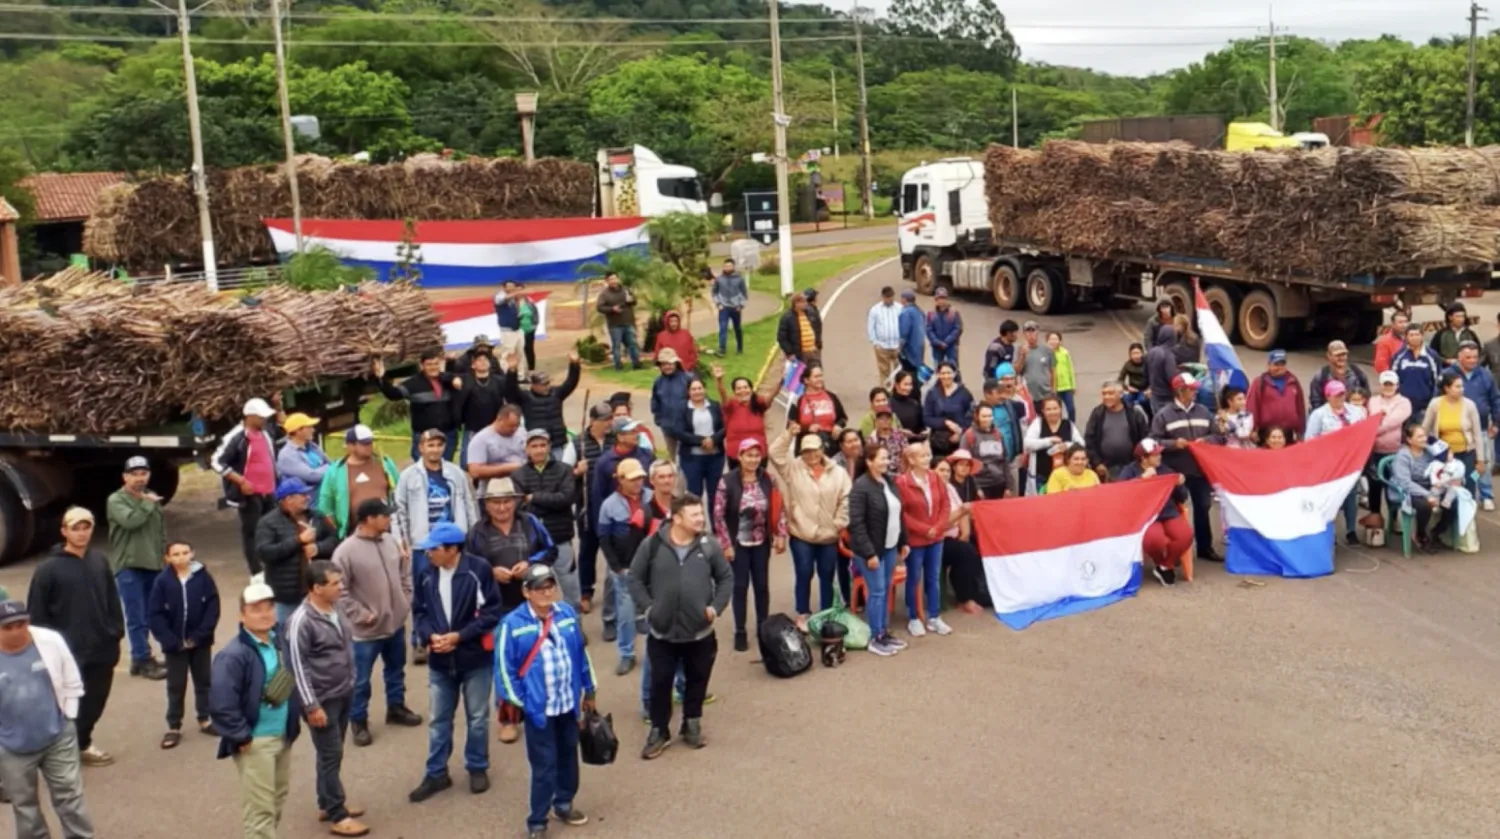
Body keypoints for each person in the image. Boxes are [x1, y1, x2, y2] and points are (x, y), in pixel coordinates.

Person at [496, 565, 596, 838]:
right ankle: (537, 821)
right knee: (544, 766)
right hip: (539, 712)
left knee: (569, 757)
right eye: (539, 588)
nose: (546, 592)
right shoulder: (511, 624)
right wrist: (524, 703)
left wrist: (590, 690)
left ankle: (563, 803)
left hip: (568, 706)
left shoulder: (566, 613)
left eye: (550, 586)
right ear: (526, 592)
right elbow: (504, 671)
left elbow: (581, 656)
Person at [629, 495, 732, 760]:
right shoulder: (652, 545)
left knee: (697, 680)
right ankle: (659, 730)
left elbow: (725, 578)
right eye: (694, 515)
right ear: (676, 518)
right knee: (660, 682)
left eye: (701, 513)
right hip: (663, 633)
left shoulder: (709, 545)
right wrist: (649, 609)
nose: (700, 519)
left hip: (700, 632)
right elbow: (635, 578)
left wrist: (715, 608)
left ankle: (691, 723)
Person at [407, 523, 504, 802]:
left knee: (477, 718)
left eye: (434, 549)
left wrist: (459, 637)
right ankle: (436, 773)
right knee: (438, 720)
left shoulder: (479, 570)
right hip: (440, 662)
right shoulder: (426, 574)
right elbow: (420, 612)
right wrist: (430, 636)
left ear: (453, 550)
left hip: (475, 660)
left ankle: (477, 766)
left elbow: (491, 613)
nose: (428, 553)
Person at [26, 507, 123, 768]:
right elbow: (37, 614)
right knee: (66, 705)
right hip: (68, 651)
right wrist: (44, 650)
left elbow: (112, 599)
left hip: (102, 647)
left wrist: (116, 632)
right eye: (75, 528)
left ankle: (82, 743)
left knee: (95, 701)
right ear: (64, 531)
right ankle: (63, 751)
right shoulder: (48, 569)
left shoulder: (99, 561)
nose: (81, 533)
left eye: (86, 527)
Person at [210, 583, 303, 839]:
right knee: (260, 811)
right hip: (256, 741)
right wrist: (242, 736)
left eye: (269, 607)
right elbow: (221, 703)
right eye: (256, 609)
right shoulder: (233, 655)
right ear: (241, 615)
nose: (265, 614)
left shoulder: (278, 641)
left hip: (282, 735)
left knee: (277, 799)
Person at [331, 499, 423, 748]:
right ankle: (358, 720)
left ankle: (396, 708)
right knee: (360, 679)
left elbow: (404, 571)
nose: (389, 519)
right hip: (365, 632)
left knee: (396, 670)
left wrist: (405, 599)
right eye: (384, 515)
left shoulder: (390, 541)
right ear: (369, 519)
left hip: (395, 624)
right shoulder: (345, 552)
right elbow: (339, 590)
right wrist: (361, 615)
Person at [285, 561, 367, 837]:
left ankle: (326, 802)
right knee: (331, 754)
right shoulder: (300, 621)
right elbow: (296, 667)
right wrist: (311, 706)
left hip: (343, 692)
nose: (341, 587)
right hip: (321, 700)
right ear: (316, 588)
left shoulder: (336, 607)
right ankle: (338, 814)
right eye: (335, 583)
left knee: (331, 751)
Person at [0, 599, 94, 839]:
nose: (15, 632)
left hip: (57, 737)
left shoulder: (50, 641)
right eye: (7, 627)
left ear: (28, 622)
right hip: (11, 747)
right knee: (25, 807)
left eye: (20, 624)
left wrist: (68, 716)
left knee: (70, 798)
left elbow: (71, 679)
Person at [396, 428, 479, 659]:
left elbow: (469, 505)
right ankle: (420, 640)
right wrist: (401, 540)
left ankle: (454, 635)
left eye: (439, 445)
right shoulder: (408, 476)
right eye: (430, 445)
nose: (435, 449)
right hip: (423, 544)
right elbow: (399, 510)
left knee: (457, 588)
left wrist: (473, 534)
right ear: (421, 448)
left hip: (453, 542)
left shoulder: (456, 473)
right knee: (423, 592)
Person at [769, 426, 852, 619]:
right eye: (806, 451)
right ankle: (803, 612)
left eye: (815, 450)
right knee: (804, 572)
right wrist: (788, 434)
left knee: (827, 574)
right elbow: (774, 453)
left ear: (822, 450)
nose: (811, 455)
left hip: (829, 534)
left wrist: (839, 522)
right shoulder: (793, 468)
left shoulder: (838, 472)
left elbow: (846, 498)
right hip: (801, 532)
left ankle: (826, 613)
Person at [712, 440, 786, 652]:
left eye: (756, 456)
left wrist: (781, 534)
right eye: (749, 455)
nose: (753, 460)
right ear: (740, 457)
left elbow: (779, 507)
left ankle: (763, 627)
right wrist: (726, 544)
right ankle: (740, 630)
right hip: (738, 544)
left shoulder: (768, 479)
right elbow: (718, 515)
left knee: (762, 587)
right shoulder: (727, 481)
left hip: (761, 541)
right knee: (740, 587)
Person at [148, 540, 220, 748]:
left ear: (192, 553)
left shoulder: (203, 577)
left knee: (203, 680)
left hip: (200, 642)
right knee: (176, 684)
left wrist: (200, 635)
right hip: (175, 645)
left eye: (185, 552)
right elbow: (155, 614)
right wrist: (169, 640)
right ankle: (174, 726)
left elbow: (213, 607)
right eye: (176, 554)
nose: (181, 557)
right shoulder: (162, 582)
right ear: (167, 558)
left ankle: (205, 718)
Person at [1149, 373, 1223, 563]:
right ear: (1180, 391)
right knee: (1174, 512)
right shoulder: (1163, 415)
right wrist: (1173, 444)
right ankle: (1176, 551)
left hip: (1200, 470)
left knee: (1203, 507)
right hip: (1175, 472)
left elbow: (1219, 437)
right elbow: (1153, 441)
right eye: (1192, 389)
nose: (1196, 391)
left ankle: (1205, 548)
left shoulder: (1204, 411)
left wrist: (1207, 440)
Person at [106, 454, 167, 680]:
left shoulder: (150, 497)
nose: (140, 478)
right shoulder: (116, 500)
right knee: (136, 617)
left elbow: (159, 530)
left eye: (144, 473)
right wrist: (147, 503)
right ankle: (141, 659)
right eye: (135, 474)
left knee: (153, 614)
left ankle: (143, 657)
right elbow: (131, 521)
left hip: (153, 565)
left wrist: (164, 554)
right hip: (129, 566)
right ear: (125, 477)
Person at [846, 445, 908, 656]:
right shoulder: (860, 486)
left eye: (887, 458)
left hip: (890, 547)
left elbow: (898, 514)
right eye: (882, 458)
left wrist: (903, 542)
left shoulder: (888, 481)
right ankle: (874, 637)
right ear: (869, 461)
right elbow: (856, 524)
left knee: (885, 589)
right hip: (871, 551)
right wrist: (869, 553)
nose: (886, 462)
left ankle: (883, 632)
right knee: (877, 591)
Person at [256, 477, 340, 628]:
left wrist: (318, 548)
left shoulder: (317, 517)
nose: (307, 497)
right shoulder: (268, 523)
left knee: (321, 633)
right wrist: (298, 540)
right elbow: (265, 553)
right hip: (286, 597)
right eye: (302, 495)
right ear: (289, 499)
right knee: (287, 635)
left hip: (317, 592)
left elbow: (334, 539)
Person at [211, 397, 281, 576]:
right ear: (250, 417)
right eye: (261, 417)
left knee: (271, 527)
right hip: (250, 494)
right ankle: (256, 571)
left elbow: (282, 427)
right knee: (252, 532)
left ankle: (271, 564)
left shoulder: (265, 432)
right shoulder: (237, 436)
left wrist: (278, 406)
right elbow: (216, 461)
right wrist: (240, 481)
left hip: (269, 491)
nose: (264, 420)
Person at [513, 429, 580, 609]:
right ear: (527, 449)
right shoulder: (518, 475)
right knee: (537, 589)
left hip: (560, 536)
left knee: (570, 588)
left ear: (549, 447)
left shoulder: (564, 470)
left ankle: (573, 621)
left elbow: (566, 499)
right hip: (534, 544)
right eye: (534, 446)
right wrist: (551, 501)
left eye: (543, 445)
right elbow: (519, 507)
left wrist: (534, 497)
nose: (539, 450)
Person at [597, 460, 653, 677]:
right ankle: (627, 654)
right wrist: (617, 567)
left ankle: (657, 654)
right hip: (626, 568)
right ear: (620, 480)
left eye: (640, 478)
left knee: (656, 611)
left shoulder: (651, 497)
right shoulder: (609, 505)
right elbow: (604, 538)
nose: (638, 482)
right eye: (633, 479)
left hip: (652, 566)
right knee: (626, 614)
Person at [563, 404, 615, 622]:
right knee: (587, 550)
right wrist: (577, 471)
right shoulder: (577, 444)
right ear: (593, 421)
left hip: (613, 504)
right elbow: (562, 475)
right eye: (605, 419)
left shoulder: (615, 440)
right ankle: (586, 591)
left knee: (615, 549)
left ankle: (616, 593)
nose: (609, 423)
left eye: (610, 419)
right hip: (587, 505)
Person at [895, 441, 952, 637]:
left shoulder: (935, 478)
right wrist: (924, 529)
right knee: (913, 578)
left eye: (928, 455)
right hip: (916, 540)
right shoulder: (902, 482)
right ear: (911, 460)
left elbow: (945, 504)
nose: (927, 459)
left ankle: (934, 616)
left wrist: (938, 527)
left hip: (936, 538)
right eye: (922, 456)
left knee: (933, 577)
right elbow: (902, 513)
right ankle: (914, 617)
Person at [1117, 439, 1192, 586]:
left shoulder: (1166, 470)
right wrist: (1142, 479)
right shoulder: (1129, 471)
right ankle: (1160, 562)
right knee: (1155, 541)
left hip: (1168, 512)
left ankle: (1165, 566)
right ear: (1144, 458)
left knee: (1185, 536)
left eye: (1159, 453)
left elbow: (1183, 497)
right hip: (1146, 516)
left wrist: (1180, 485)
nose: (1160, 457)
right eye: (1155, 454)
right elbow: (1121, 494)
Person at [1305, 381, 1370, 546]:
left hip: (1350, 462)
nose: (1340, 398)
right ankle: (1329, 531)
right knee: (1330, 497)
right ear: (1328, 396)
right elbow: (1309, 440)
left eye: (1342, 394)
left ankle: (1351, 530)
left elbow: (1364, 431)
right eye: (1336, 395)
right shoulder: (1319, 415)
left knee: (1351, 496)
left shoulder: (1356, 411)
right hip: (1329, 464)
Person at [319, 425, 402, 539]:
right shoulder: (335, 471)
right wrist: (338, 534)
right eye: (364, 443)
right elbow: (325, 507)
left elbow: (399, 492)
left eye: (370, 442)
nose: (369, 446)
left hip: (387, 531)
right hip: (354, 534)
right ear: (350, 446)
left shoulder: (385, 463)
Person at [1444, 342, 1500, 510]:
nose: (1472, 360)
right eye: (1468, 357)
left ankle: (1486, 494)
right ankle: (1462, 494)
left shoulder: (1485, 375)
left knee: (1483, 464)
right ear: (1459, 357)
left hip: (1482, 428)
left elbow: (1495, 400)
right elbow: (1438, 400)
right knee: (1458, 465)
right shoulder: (1447, 374)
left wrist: (1496, 423)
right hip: (1455, 430)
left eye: (1475, 357)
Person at [376, 351, 459, 462]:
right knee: (423, 469)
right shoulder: (413, 384)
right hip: (424, 436)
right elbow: (393, 394)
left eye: (436, 364)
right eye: (429, 364)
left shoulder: (447, 381)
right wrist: (382, 377)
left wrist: (451, 362)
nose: (433, 367)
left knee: (446, 467)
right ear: (422, 366)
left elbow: (454, 376)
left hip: (448, 434)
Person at [939, 452, 989, 613]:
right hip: (938, 539)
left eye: (946, 471)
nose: (945, 474)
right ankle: (965, 597)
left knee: (979, 544)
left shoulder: (954, 487)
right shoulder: (933, 490)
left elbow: (964, 512)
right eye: (941, 470)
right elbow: (939, 525)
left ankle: (981, 590)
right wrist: (962, 514)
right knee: (967, 552)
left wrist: (965, 533)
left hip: (957, 533)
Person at [1422, 372, 1483, 497]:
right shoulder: (1435, 404)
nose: (1462, 389)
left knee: (1470, 482)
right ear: (1447, 388)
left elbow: (1477, 434)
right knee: (1445, 486)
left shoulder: (1470, 405)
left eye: (1462, 386)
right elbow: (1425, 429)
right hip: (1444, 455)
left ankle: (1470, 508)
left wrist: (1480, 460)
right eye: (1457, 386)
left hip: (1467, 453)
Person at [1389, 424, 1447, 553]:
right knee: (1424, 505)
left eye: (1424, 435)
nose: (1424, 439)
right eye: (1420, 436)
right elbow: (1404, 483)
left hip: (1428, 486)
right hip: (1407, 490)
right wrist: (1427, 494)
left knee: (1452, 501)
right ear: (1410, 440)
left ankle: (1436, 532)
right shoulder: (1403, 456)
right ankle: (1421, 535)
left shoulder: (1430, 452)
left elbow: (1440, 466)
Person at [1367, 371, 1414, 527]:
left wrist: (1374, 428)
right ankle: (1376, 521)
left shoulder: (1404, 402)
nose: (1388, 387)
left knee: (1393, 486)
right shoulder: (1372, 401)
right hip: (1374, 451)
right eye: (1385, 384)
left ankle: (1394, 518)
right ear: (1381, 385)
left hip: (1395, 452)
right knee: (1374, 486)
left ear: (1397, 385)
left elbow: (1392, 422)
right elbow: (1369, 419)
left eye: (1391, 384)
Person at [677, 377, 726, 518]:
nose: (697, 391)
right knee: (694, 494)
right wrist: (702, 441)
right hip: (692, 459)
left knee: (715, 494)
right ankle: (695, 524)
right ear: (688, 391)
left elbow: (725, 426)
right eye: (693, 389)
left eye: (699, 388)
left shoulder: (715, 406)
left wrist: (713, 440)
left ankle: (716, 526)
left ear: (705, 389)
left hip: (715, 458)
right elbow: (679, 431)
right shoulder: (682, 408)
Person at [452, 351, 507, 470]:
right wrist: (453, 376)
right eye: (479, 360)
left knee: (494, 461)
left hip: (493, 427)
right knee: (466, 463)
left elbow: (511, 392)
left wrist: (512, 371)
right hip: (472, 428)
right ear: (473, 365)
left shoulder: (499, 381)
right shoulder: (465, 380)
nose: (483, 362)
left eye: (485, 360)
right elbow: (449, 376)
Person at [1085, 381, 1150, 480]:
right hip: (1106, 468)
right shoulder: (1097, 413)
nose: (1106, 397)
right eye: (1104, 394)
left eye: (1110, 393)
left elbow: (1145, 438)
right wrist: (1097, 463)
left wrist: (1141, 461)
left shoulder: (1134, 412)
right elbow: (1089, 440)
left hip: (1131, 466)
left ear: (1121, 394)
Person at [1024, 396, 1084, 495]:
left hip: (1065, 476)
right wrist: (1048, 441)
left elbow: (1081, 444)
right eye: (1048, 409)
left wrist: (1067, 446)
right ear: (1043, 411)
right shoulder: (1038, 423)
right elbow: (1027, 444)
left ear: (1060, 409)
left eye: (1055, 408)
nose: (1052, 412)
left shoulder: (1069, 425)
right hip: (1042, 475)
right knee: (1042, 502)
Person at [715, 365, 771, 470]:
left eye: (745, 387)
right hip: (736, 456)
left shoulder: (757, 403)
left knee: (760, 480)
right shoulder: (730, 405)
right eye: (739, 388)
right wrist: (719, 380)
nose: (743, 391)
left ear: (751, 389)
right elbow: (723, 395)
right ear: (734, 392)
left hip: (758, 455)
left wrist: (780, 383)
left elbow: (770, 398)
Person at [1247, 350, 1307, 445]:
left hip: (1287, 432)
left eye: (1282, 364)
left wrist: (1301, 430)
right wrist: (1252, 429)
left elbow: (1300, 406)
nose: (1280, 368)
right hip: (1267, 432)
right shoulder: (1259, 383)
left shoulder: (1293, 381)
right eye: (1276, 364)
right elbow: (1252, 406)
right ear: (1268, 365)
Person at [786, 364, 848, 456]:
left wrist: (839, 425)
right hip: (807, 449)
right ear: (806, 380)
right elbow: (790, 426)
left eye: (821, 376)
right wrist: (807, 428)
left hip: (830, 447)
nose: (820, 379)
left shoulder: (831, 396)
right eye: (816, 376)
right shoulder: (799, 400)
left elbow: (843, 418)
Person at [989, 367, 1031, 492]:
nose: (1008, 382)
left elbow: (1024, 428)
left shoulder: (1020, 403)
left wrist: (1023, 451)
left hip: (1013, 457)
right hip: (994, 460)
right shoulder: (988, 406)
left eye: (1011, 379)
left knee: (1014, 489)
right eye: (1004, 379)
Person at [958, 403, 1010, 499]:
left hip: (999, 483)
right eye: (984, 416)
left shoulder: (998, 434)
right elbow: (965, 464)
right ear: (977, 417)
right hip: (980, 485)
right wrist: (976, 488)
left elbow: (1005, 460)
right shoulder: (969, 436)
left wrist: (1008, 486)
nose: (987, 419)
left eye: (990, 416)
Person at [923, 362, 973, 459]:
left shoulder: (964, 393)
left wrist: (960, 432)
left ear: (954, 373)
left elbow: (971, 416)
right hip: (939, 443)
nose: (946, 376)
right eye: (942, 373)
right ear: (938, 374)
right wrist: (945, 422)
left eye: (949, 373)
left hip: (960, 442)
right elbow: (927, 418)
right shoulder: (932, 393)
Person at [466, 405, 528, 484]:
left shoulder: (522, 433)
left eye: (517, 425)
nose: (514, 429)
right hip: (494, 485)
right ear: (499, 420)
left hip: (523, 482)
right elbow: (475, 472)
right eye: (511, 426)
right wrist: (508, 468)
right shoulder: (481, 439)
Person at [650, 348, 692, 460]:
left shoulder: (687, 379)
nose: (667, 367)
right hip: (667, 427)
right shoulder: (658, 382)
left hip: (686, 427)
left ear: (676, 363)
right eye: (663, 364)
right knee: (672, 456)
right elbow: (655, 401)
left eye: (669, 363)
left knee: (687, 456)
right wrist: (659, 419)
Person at [595, 271, 642, 371]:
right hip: (615, 325)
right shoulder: (604, 294)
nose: (613, 281)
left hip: (628, 322)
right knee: (616, 346)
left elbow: (635, 301)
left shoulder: (626, 290)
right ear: (607, 281)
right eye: (611, 279)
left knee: (632, 344)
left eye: (615, 278)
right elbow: (599, 307)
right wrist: (612, 309)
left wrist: (632, 300)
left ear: (618, 279)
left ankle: (637, 364)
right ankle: (618, 366)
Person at [1392, 325, 1443, 415]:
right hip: (1402, 404)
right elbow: (1392, 378)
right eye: (1411, 335)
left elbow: (1438, 380)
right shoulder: (1399, 356)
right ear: (1406, 337)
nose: (1414, 338)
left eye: (1417, 334)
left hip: (1425, 405)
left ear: (1422, 336)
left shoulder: (1432, 356)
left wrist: (1434, 401)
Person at [277, 413, 331, 497]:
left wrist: (328, 468)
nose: (313, 430)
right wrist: (329, 468)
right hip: (310, 500)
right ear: (298, 431)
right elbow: (312, 476)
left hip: (326, 495)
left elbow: (332, 464)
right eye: (309, 427)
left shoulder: (313, 446)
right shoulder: (287, 455)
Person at [1308, 340, 1371, 411]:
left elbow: (1367, 395)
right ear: (1329, 356)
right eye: (1337, 355)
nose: (1341, 358)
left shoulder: (1357, 373)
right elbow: (1316, 402)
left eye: (1343, 354)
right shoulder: (1321, 376)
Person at [776, 289, 823, 367]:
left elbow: (817, 328)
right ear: (796, 303)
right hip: (799, 355)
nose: (806, 303)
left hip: (813, 351)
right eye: (803, 302)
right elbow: (781, 338)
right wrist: (790, 353)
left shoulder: (810, 313)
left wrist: (818, 345)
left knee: (816, 372)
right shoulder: (787, 318)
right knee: (801, 373)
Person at [712, 258, 749, 356]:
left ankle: (740, 347)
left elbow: (744, 293)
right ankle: (722, 349)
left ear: (733, 267)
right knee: (723, 328)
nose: (727, 268)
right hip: (723, 307)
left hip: (736, 308)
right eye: (726, 266)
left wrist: (741, 305)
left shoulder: (739, 279)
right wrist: (718, 303)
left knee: (737, 328)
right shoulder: (719, 279)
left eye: (729, 266)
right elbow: (714, 292)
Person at [1016, 321, 1054, 413]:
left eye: (1033, 331)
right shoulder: (1019, 350)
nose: (1031, 334)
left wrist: (1053, 390)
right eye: (1028, 331)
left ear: (1037, 332)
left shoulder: (1047, 350)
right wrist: (1022, 356)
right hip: (1029, 395)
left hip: (1045, 394)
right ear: (1024, 334)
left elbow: (1052, 371)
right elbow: (1017, 371)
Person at [867, 286, 903, 383]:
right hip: (882, 347)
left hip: (897, 346)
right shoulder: (875, 310)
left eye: (891, 297)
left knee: (900, 372)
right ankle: (885, 391)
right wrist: (875, 343)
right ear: (883, 297)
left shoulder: (900, 308)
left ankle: (897, 390)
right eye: (887, 297)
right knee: (884, 373)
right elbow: (871, 327)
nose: (889, 300)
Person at [493, 282, 528, 375]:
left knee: (520, 353)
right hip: (507, 331)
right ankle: (504, 375)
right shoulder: (499, 296)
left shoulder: (514, 299)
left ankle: (521, 376)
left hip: (518, 329)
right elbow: (504, 299)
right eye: (510, 286)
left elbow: (519, 310)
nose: (512, 288)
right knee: (507, 354)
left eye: (513, 286)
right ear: (504, 287)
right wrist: (518, 292)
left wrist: (519, 300)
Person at [925, 287, 963, 372]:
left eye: (943, 298)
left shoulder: (954, 313)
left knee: (953, 368)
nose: (941, 301)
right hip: (936, 347)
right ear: (936, 300)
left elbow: (957, 329)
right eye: (939, 298)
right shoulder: (931, 314)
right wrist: (937, 342)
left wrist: (947, 341)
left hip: (951, 346)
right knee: (938, 369)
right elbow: (929, 330)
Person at [1144, 325, 1179, 415]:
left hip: (1155, 395)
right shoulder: (1168, 354)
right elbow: (1172, 377)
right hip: (1167, 397)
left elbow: (1145, 372)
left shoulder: (1151, 352)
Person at [1047, 331, 1077, 420]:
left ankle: (1071, 425)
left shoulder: (1065, 353)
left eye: (1055, 339)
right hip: (1054, 388)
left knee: (1071, 409)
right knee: (1057, 411)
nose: (1053, 341)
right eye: (1051, 339)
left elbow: (1070, 369)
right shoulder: (1045, 354)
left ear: (1060, 341)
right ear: (1047, 341)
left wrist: (1073, 385)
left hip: (1067, 386)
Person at [888, 370, 926, 435]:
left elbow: (922, 427)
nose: (909, 388)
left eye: (910, 384)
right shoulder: (888, 404)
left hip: (914, 440)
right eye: (905, 384)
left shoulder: (915, 404)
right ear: (896, 385)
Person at [897, 289, 926, 374]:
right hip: (920, 347)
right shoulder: (919, 311)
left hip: (909, 350)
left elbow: (904, 332)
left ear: (904, 299)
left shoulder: (906, 312)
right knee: (917, 372)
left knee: (908, 373)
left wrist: (900, 348)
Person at [1119, 342, 1150, 414]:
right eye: (1133, 353)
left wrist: (1150, 389)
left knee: (1142, 401)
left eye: (1138, 353)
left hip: (1145, 390)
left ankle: (1149, 417)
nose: (1136, 356)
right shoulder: (1128, 364)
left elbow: (1155, 377)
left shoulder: (1147, 363)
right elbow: (1120, 380)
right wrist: (1127, 387)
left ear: (1142, 353)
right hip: (1133, 391)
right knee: (1124, 400)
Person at [517, 287, 540, 373]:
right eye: (518, 290)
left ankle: (531, 370)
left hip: (529, 330)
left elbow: (535, 313)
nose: (520, 292)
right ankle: (519, 371)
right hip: (517, 330)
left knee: (529, 349)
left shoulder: (529, 301)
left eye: (522, 290)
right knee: (519, 350)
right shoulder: (512, 303)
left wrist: (534, 326)